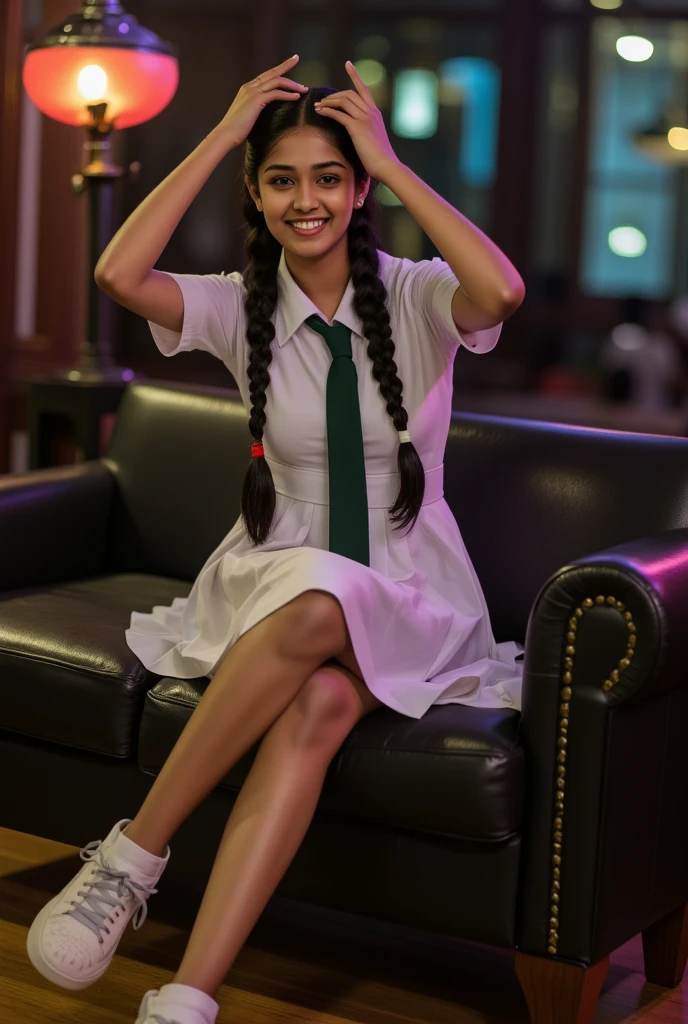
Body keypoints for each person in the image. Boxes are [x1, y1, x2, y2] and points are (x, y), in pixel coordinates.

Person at [26, 54, 526, 1024]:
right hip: (277, 583)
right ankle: (187, 994)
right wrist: (219, 136)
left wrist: (393, 158)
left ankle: (129, 858)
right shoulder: (236, 305)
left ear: (358, 189)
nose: (308, 200)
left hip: (408, 591)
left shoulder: (419, 297)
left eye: (330, 177)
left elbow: (499, 291)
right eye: (283, 178)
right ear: (256, 194)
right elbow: (117, 274)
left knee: (325, 600)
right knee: (320, 699)